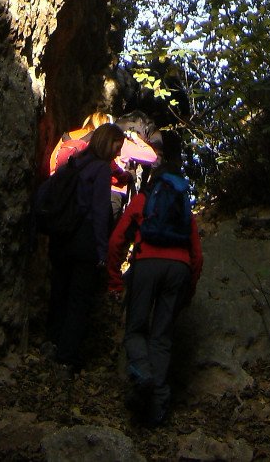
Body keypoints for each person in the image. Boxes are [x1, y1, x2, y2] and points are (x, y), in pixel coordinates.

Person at [107, 150, 203, 428]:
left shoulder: (143, 200)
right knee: (161, 337)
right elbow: (197, 254)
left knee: (136, 329)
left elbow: (116, 241)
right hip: (179, 269)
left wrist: (114, 279)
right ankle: (158, 406)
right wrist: (190, 287)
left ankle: (143, 373)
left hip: (147, 264)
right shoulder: (183, 207)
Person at [44, 121, 126, 373]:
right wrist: (102, 252)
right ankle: (66, 356)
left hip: (61, 238)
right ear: (107, 141)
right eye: (117, 145)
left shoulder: (75, 162)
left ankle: (52, 343)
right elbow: (100, 212)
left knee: (59, 293)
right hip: (83, 242)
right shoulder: (101, 169)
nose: (118, 152)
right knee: (79, 300)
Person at [49, 110, 113, 172]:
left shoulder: (69, 135)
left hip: (59, 177)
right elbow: (110, 166)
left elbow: (53, 163)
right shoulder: (100, 140)